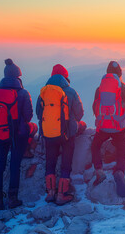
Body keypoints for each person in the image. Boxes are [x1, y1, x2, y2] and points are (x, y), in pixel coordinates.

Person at [0, 59, 38, 210]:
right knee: (15, 164)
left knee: (0, 166)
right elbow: (28, 117)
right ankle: (12, 199)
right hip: (18, 135)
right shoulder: (22, 93)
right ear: (18, 77)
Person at [36, 64, 86, 205]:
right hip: (67, 134)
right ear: (65, 77)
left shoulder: (44, 93)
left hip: (49, 134)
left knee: (50, 163)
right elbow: (80, 113)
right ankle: (62, 194)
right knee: (66, 163)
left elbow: (38, 113)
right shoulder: (71, 91)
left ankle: (50, 192)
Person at [91, 61, 125, 198]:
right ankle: (119, 171)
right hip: (119, 129)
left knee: (95, 146)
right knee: (121, 148)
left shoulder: (99, 89)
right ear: (120, 75)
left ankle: (99, 171)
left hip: (103, 128)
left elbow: (95, 109)